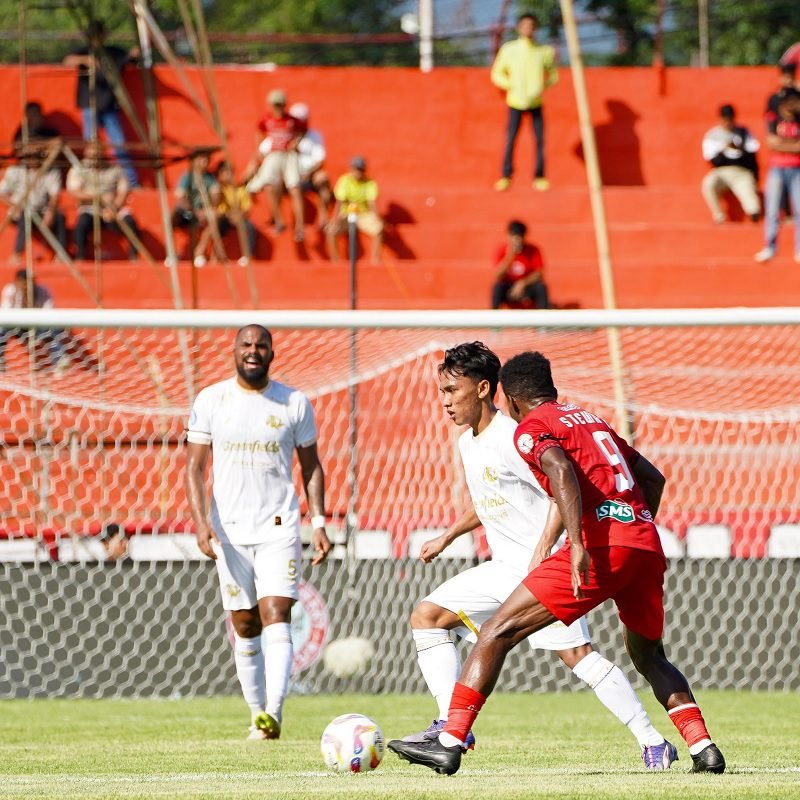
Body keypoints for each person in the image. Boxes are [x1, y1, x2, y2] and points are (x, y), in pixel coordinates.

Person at [389, 350, 725, 776]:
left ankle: (451, 740)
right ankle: (703, 748)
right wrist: (633, 528)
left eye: (451, 390)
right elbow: (653, 478)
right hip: (640, 543)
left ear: (501, 394)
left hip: (575, 554)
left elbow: (558, 476)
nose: (445, 400)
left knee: (506, 636)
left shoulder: (526, 431)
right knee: (648, 656)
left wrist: (573, 542)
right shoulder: (592, 420)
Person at [185, 324, 331, 740]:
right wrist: (200, 522)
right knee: (245, 623)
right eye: (246, 345)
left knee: (276, 614)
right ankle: (256, 714)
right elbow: (195, 468)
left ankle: (273, 712)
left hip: (279, 526)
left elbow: (311, 466)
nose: (253, 351)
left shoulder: (294, 403)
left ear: (271, 353)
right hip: (229, 530)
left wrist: (318, 521)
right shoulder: (212, 400)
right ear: (234, 351)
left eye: (261, 345)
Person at [63, 20, 139, 187]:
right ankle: (89, 182)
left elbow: (132, 57)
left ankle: (131, 182)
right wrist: (87, 60)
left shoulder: (113, 53)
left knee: (118, 145)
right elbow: (68, 60)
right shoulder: (84, 51)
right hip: (89, 105)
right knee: (91, 147)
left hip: (109, 106)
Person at [491, 13, 558, 192]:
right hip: (515, 101)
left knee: (540, 141)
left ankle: (540, 176)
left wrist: (541, 86)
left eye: (532, 25)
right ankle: (506, 176)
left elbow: (553, 75)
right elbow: (496, 73)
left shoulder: (544, 51)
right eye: (525, 25)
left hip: (536, 102)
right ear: (519, 28)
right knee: (511, 139)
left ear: (535, 28)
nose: (528, 28)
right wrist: (510, 85)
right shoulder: (509, 49)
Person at [67, 141, 140, 260]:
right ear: (87, 153)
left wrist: (114, 208)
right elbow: (76, 191)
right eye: (93, 155)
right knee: (82, 223)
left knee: (130, 221)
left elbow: (123, 190)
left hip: (113, 208)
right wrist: (97, 197)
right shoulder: (78, 169)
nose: (95, 158)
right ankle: (80, 256)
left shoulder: (115, 168)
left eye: (98, 154)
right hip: (90, 207)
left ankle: (133, 255)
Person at [250, 89, 306, 242]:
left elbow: (303, 130)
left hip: (289, 155)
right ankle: (278, 220)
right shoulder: (266, 119)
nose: (278, 108)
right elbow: (258, 131)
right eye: (275, 105)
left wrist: (296, 142)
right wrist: (258, 149)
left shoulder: (292, 120)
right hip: (274, 154)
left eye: (280, 104)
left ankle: (299, 226)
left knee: (294, 188)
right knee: (267, 185)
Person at [754, 89, 800, 263]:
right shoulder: (774, 120)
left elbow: (779, 143)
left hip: (797, 168)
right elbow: (771, 143)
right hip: (777, 169)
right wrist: (794, 145)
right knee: (772, 210)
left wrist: (783, 144)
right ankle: (770, 246)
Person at [0, 146, 67, 264]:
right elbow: (1, 193)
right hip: (19, 211)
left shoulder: (51, 171)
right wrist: (14, 206)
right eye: (29, 157)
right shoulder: (14, 171)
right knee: (25, 217)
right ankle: (17, 254)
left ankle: (61, 254)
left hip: (42, 210)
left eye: (36, 157)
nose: (32, 160)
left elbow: (54, 194)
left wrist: (50, 212)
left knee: (59, 217)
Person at [700, 104, 760, 224]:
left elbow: (752, 154)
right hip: (721, 172)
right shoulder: (712, 135)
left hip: (741, 172)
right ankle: (719, 216)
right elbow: (712, 159)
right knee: (708, 184)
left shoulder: (743, 133)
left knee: (749, 195)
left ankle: (754, 214)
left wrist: (739, 148)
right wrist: (724, 148)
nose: (728, 122)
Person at [0, 269, 67, 371]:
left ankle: (59, 360)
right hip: (16, 325)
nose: (29, 285)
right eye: (25, 282)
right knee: (1, 329)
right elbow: (7, 314)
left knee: (54, 328)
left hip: (38, 325)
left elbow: (49, 313)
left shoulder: (44, 291)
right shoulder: (10, 291)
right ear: (18, 281)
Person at [196, 161, 258, 267]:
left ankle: (247, 256)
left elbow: (246, 210)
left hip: (237, 219)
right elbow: (217, 208)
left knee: (250, 227)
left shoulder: (241, 190)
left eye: (230, 172)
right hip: (223, 218)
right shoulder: (218, 190)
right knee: (216, 225)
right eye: (225, 172)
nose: (229, 175)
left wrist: (238, 215)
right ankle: (207, 255)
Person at [327, 156, 384, 264]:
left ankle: (375, 260)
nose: (357, 172)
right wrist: (335, 219)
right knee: (331, 230)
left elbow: (372, 204)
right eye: (355, 169)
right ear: (351, 169)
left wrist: (378, 219)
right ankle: (335, 261)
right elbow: (340, 202)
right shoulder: (344, 180)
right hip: (346, 213)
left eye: (360, 169)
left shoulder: (370, 183)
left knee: (378, 228)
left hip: (363, 214)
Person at [172, 151, 221, 267]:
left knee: (214, 216)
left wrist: (209, 206)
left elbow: (216, 195)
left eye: (207, 159)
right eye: (202, 158)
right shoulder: (187, 177)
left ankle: (199, 252)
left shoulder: (210, 179)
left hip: (203, 211)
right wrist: (194, 211)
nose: (205, 161)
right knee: (169, 218)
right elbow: (180, 197)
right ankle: (172, 253)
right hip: (187, 212)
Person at [491, 220, 550, 309]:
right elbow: (498, 275)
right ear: (508, 236)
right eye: (513, 236)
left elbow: (539, 273)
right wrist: (510, 256)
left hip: (527, 286)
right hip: (509, 287)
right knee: (497, 287)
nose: (516, 240)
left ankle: (544, 319)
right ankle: (494, 319)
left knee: (541, 287)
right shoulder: (502, 250)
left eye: (519, 236)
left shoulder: (533, 250)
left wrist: (523, 283)